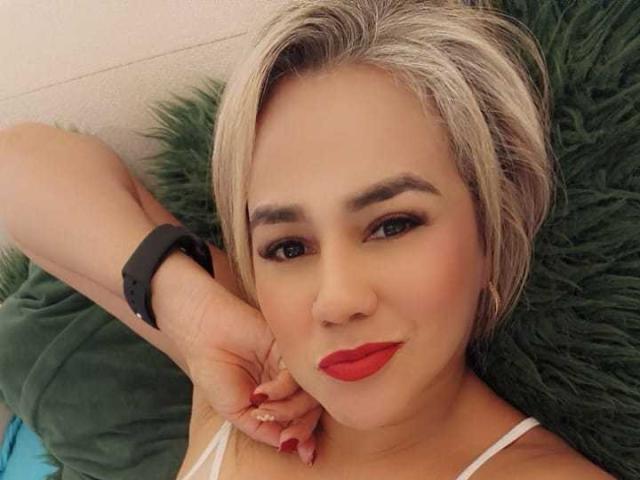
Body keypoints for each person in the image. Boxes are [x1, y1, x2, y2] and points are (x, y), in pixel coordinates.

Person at [0, 0, 615, 478]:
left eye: (392, 225)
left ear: (490, 230)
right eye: (288, 247)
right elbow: (16, 165)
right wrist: (188, 310)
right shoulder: (240, 378)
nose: (335, 300)